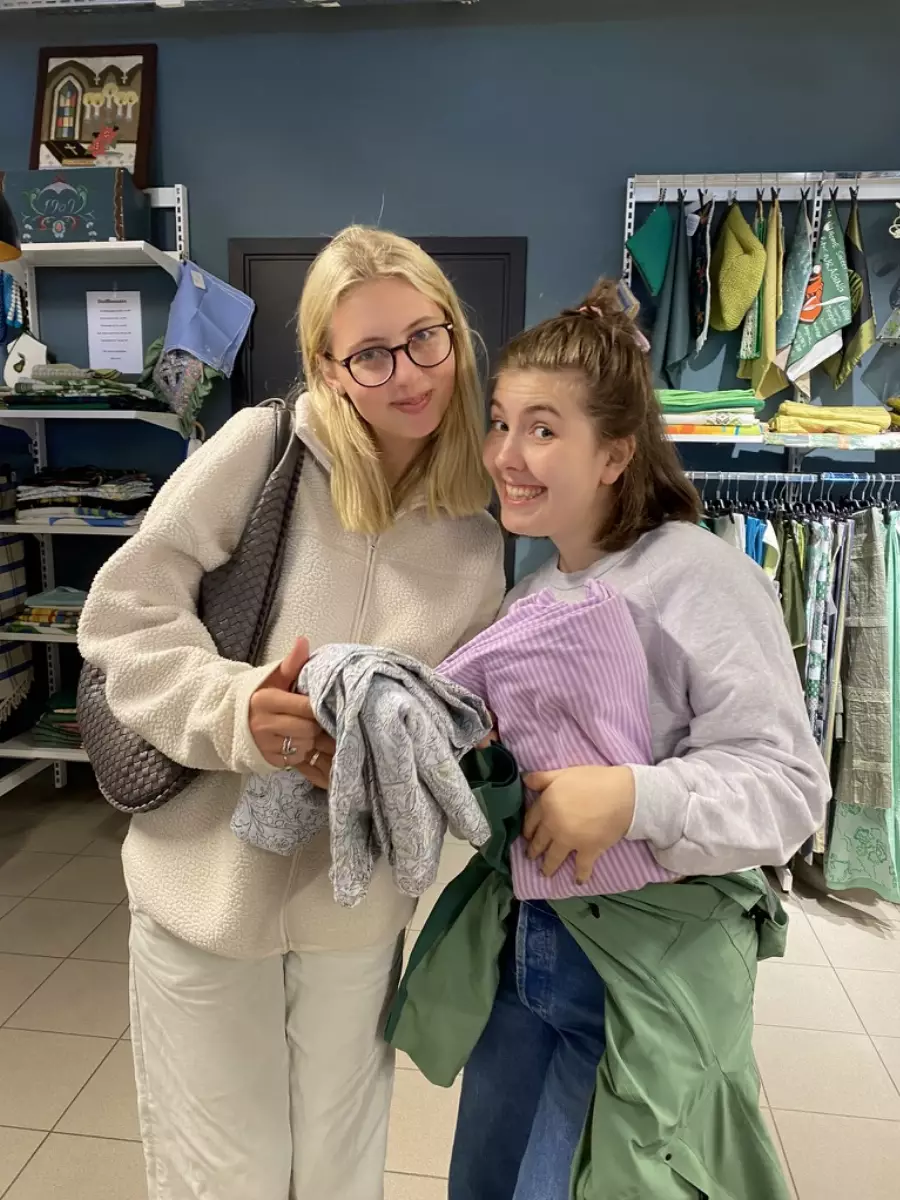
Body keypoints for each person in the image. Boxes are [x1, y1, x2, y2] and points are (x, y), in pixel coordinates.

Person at [78, 226, 506, 1200]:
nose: (409, 373)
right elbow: (122, 616)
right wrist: (242, 712)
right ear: (328, 367)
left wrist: (382, 752)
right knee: (226, 1178)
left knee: (341, 1175)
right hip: (204, 890)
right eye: (371, 354)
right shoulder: (261, 450)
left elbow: (453, 723)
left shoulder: (476, 541)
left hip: (354, 911)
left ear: (455, 335)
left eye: (426, 337)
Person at [444, 281, 829, 1199]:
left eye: (543, 429)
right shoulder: (531, 594)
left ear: (616, 453)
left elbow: (789, 787)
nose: (506, 455)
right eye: (500, 423)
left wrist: (632, 797)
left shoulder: (699, 577)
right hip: (525, 961)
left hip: (643, 975)